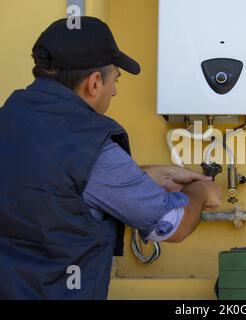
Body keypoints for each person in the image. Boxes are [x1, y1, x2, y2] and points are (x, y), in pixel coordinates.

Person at [0, 16, 222, 299]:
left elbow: (54, 181)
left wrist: (141, 175)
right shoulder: (88, 142)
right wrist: (200, 192)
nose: (115, 90)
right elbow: (171, 223)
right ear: (94, 83)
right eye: (115, 79)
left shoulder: (9, 120)